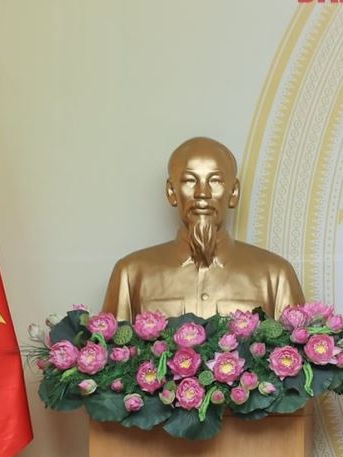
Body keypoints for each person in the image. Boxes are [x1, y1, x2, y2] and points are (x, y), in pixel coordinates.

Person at [101, 137, 305, 321]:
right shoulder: (131, 274)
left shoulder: (276, 276)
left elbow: (298, 348)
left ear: (233, 193)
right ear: (171, 192)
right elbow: (110, 347)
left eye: (215, 181)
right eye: (190, 180)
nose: (202, 193)